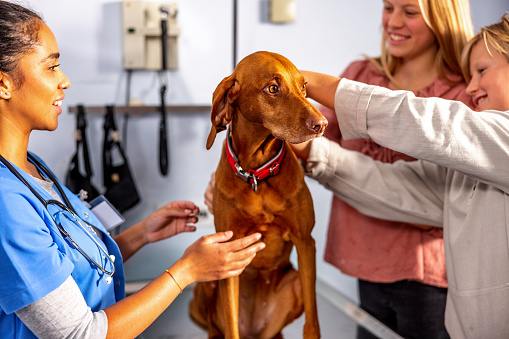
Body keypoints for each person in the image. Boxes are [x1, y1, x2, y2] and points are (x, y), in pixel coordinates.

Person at [0, 2, 265, 338]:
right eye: (51, 67)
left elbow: (67, 272)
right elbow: (80, 334)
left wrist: (142, 234)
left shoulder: (32, 169)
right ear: (4, 84)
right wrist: (185, 271)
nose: (65, 81)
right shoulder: (6, 204)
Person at [291, 13, 509, 339]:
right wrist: (311, 153)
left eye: (482, 71)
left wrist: (303, 81)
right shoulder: (468, 169)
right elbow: (396, 186)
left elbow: (432, 123)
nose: (471, 87)